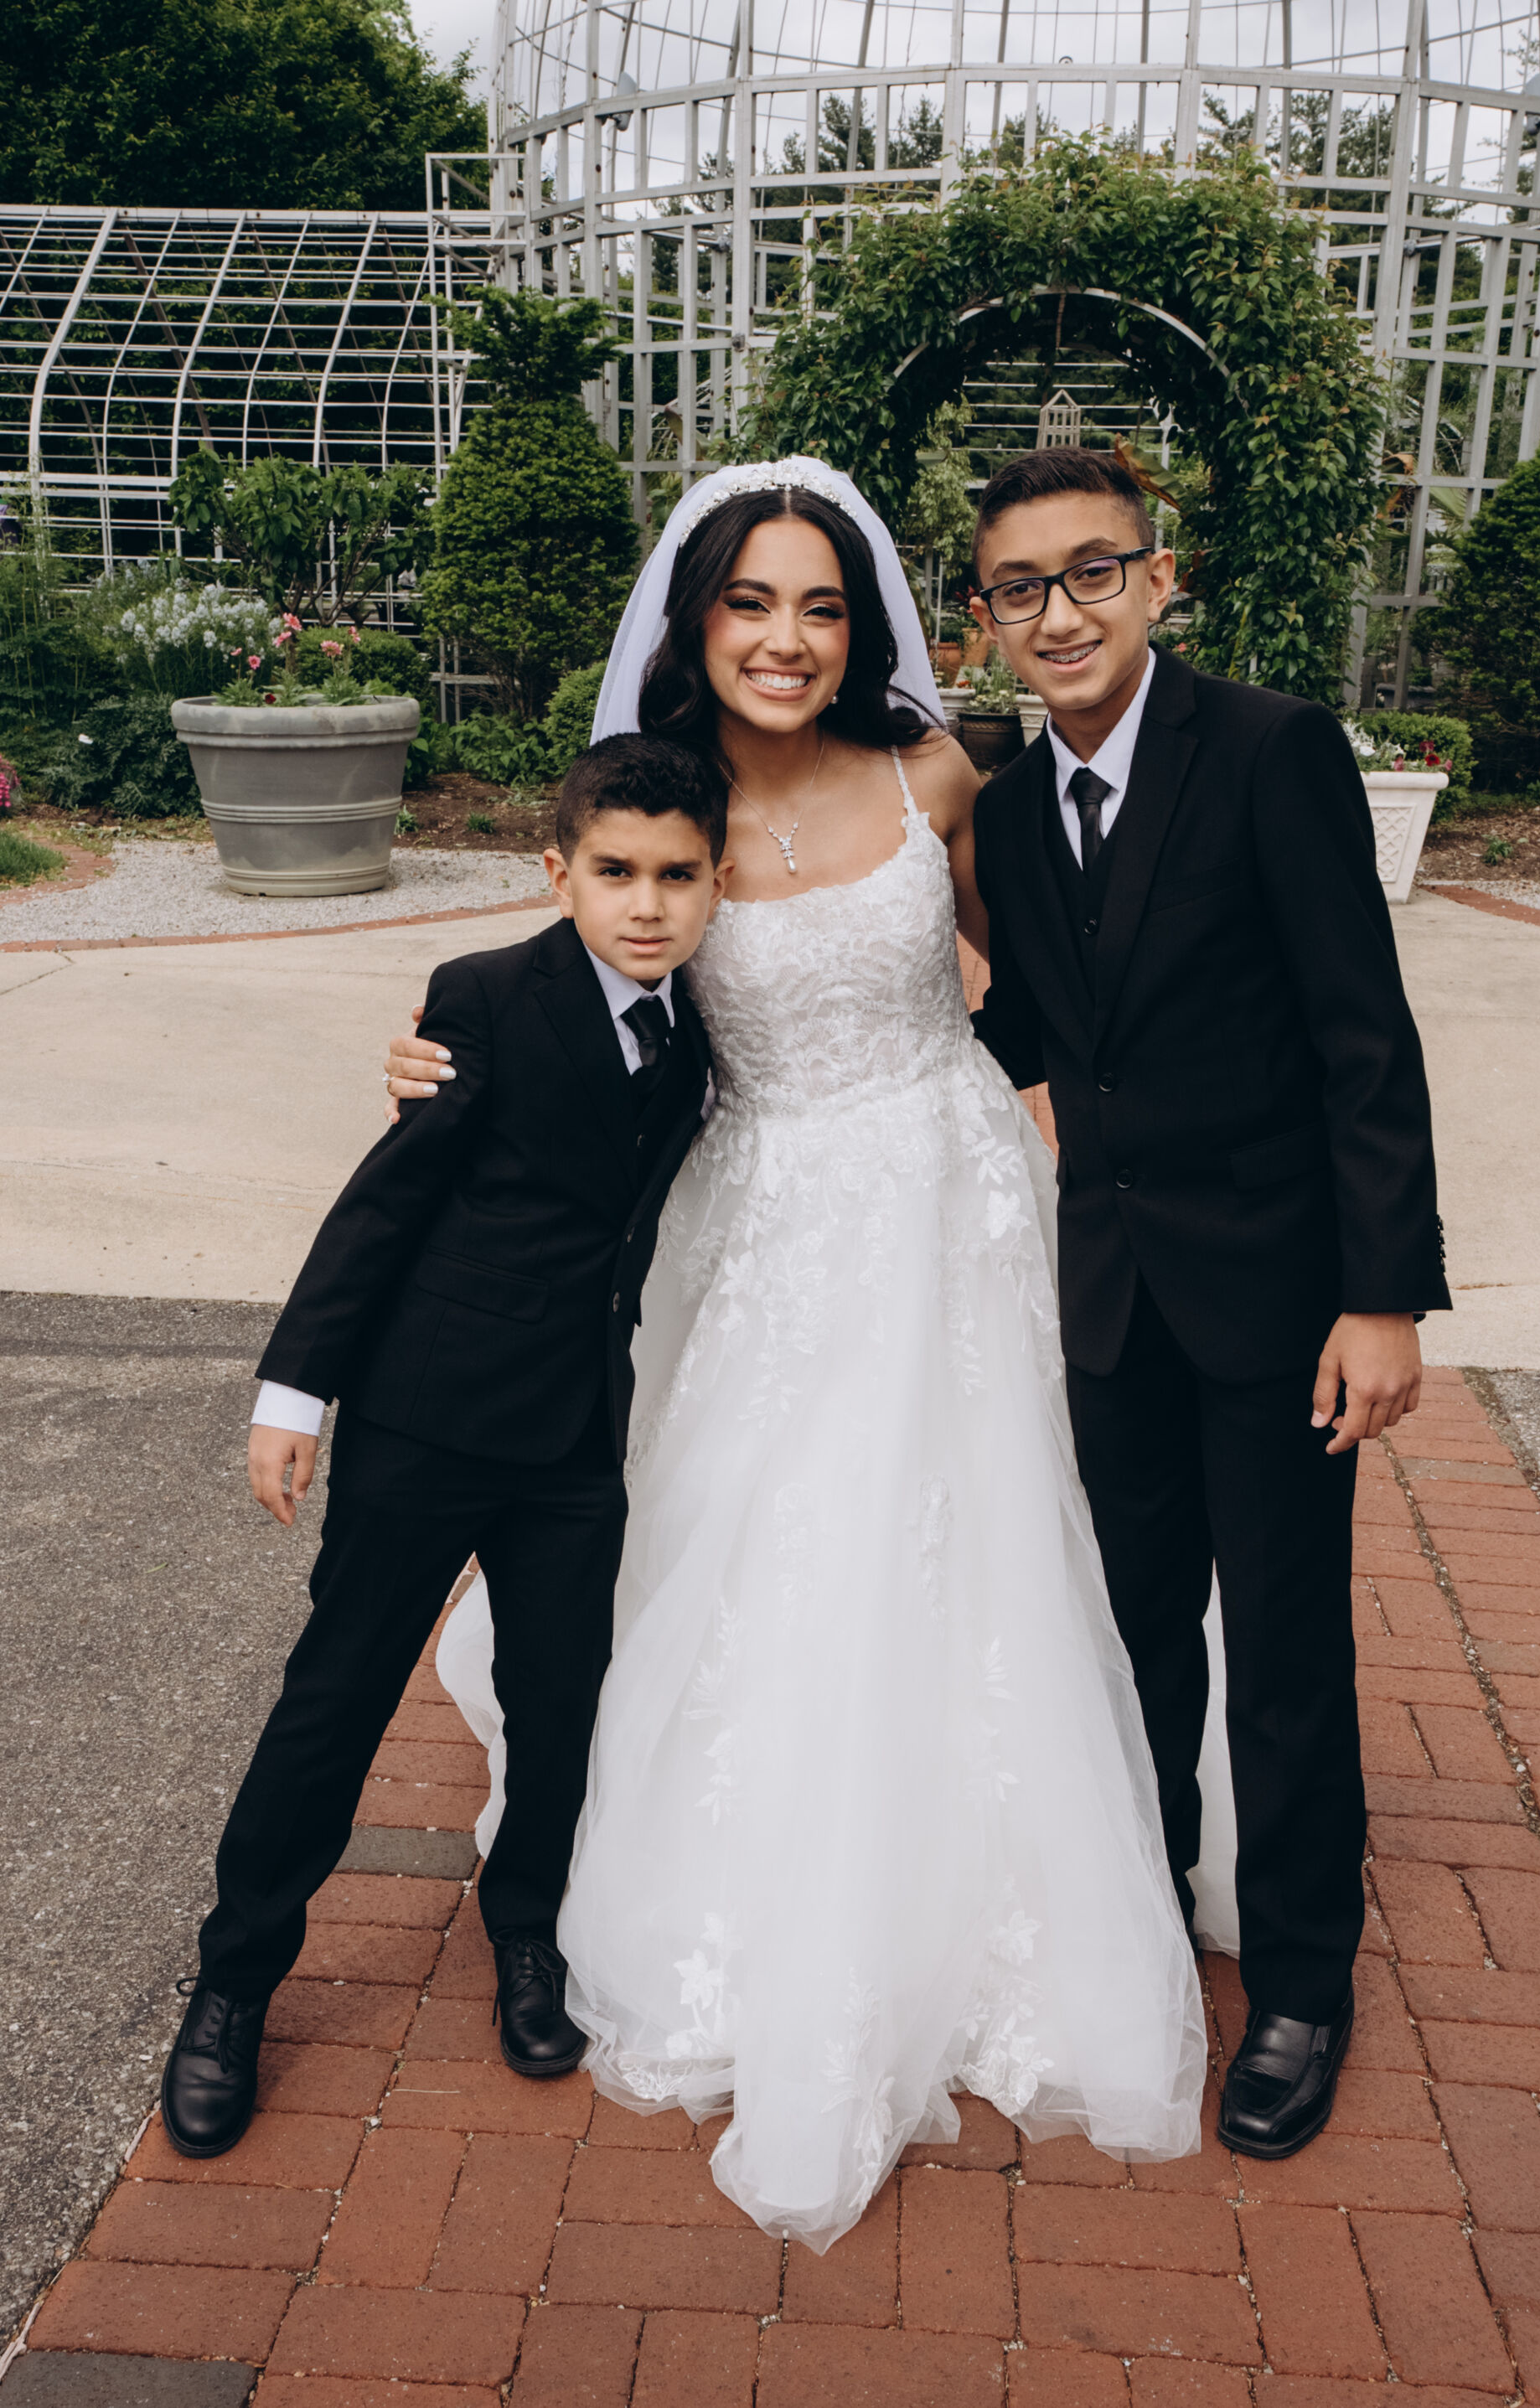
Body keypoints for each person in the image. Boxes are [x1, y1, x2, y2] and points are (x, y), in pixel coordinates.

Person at [384, 458, 1207, 2251]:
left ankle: (1003, 1885)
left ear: (866, 625)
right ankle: (764, 1897)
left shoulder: (937, 776)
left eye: (822, 605)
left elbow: (1055, 987)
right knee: (771, 1550)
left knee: (988, 1540)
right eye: (751, 602)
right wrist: (445, 1052)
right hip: (763, 1227)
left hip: (956, 1208)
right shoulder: (668, 804)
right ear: (696, 622)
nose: (787, 637)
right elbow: (586, 965)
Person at [966, 447, 1450, 2158]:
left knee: (1289, 1650)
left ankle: (1305, 1979)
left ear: (1159, 579)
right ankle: (1149, 1921)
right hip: (1108, 1298)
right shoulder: (1007, 811)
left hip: (1276, 1299)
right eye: (1022, 587)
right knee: (1135, 1637)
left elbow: (1362, 1035)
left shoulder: (1268, 751)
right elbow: (1032, 1030)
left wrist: (1383, 1296)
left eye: (1093, 570)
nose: (1061, 612)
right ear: (986, 618)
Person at [159, 735, 726, 2158]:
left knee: (561, 1703)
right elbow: (385, 1202)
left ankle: (526, 1933)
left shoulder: (700, 1030)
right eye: (615, 871)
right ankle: (234, 1982)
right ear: (558, 871)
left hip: (577, 1437)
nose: (646, 903)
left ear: (716, 884)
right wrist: (296, 1392)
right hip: (428, 1414)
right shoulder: (479, 997)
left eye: (676, 876)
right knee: (336, 1697)